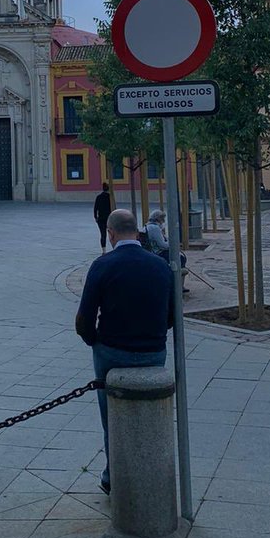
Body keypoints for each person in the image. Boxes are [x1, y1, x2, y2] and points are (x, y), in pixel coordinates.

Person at [75, 208, 173, 496]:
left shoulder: (102, 265)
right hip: (153, 353)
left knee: (111, 418)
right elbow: (170, 317)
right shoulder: (161, 266)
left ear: (111, 233)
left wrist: (95, 341)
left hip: (111, 352)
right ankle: (151, 472)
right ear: (138, 233)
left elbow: (84, 319)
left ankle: (113, 477)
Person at [145, 209, 190, 294]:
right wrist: (172, 243)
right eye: (163, 219)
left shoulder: (148, 226)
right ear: (159, 219)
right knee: (181, 258)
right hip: (159, 253)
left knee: (181, 258)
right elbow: (162, 245)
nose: (164, 221)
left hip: (154, 251)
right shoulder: (155, 228)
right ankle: (179, 285)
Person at [93, 182, 112, 252]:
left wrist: (95, 217)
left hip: (101, 219)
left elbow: (95, 208)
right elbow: (113, 208)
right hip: (109, 218)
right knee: (112, 233)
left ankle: (104, 250)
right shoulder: (110, 197)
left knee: (103, 234)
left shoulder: (98, 197)